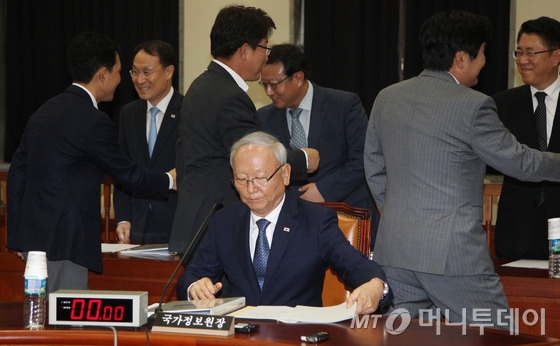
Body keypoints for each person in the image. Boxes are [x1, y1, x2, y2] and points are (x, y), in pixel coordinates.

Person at [364, 10, 560, 328]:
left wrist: (401, 214)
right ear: (460, 58)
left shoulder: (388, 98)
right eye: (482, 54)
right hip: (451, 253)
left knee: (408, 337)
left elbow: (373, 166)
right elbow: (520, 162)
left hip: (395, 249)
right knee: (494, 333)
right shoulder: (473, 105)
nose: (484, 63)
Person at [6, 32, 175, 294]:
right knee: (66, 327)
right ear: (103, 74)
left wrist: (17, 236)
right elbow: (126, 173)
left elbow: (18, 173)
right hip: (66, 245)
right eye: (120, 72)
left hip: (34, 245)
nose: (122, 80)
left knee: (39, 322)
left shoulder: (43, 112)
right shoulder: (93, 121)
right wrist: (170, 179)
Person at [177, 131, 391, 315]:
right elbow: (193, 276)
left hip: (294, 334)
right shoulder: (225, 221)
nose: (251, 189)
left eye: (261, 178)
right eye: (241, 179)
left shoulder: (315, 221)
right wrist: (196, 287)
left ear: (285, 174)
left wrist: (375, 285)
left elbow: (354, 265)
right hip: (239, 333)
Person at [169, 5, 319, 255]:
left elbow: (183, 159)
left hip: (193, 220)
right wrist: (304, 158)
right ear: (246, 50)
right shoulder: (230, 97)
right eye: (265, 47)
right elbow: (255, 162)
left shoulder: (199, 87)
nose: (265, 57)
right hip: (218, 226)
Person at [257, 44, 379, 245]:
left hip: (343, 217)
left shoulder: (343, 105)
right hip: (292, 224)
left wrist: (325, 189)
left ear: (298, 77)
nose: (269, 92)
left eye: (274, 84)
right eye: (265, 85)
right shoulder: (264, 117)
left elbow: (364, 158)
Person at [493, 17, 560, 260]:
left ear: (556, 56)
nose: (522, 60)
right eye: (519, 52)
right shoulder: (501, 104)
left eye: (531, 52)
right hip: (516, 233)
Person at [113, 40, 181, 244]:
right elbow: (122, 169)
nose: (140, 79)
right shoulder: (128, 113)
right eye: (134, 72)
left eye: (147, 71)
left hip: (176, 223)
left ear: (169, 71)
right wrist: (123, 217)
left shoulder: (188, 111)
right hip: (137, 224)